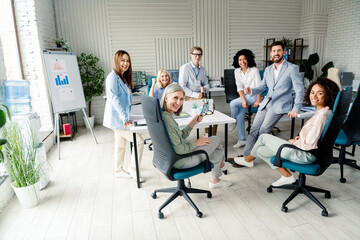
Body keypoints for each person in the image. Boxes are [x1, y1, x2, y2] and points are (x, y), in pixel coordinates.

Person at [248, 78, 340, 186]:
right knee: (261, 151)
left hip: (305, 154)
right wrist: (300, 138)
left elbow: (310, 143)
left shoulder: (322, 116)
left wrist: (294, 142)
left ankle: (247, 159)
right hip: (314, 153)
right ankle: (286, 176)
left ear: (329, 95)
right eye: (312, 92)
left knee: (263, 137)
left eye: (319, 93)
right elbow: (316, 136)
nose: (314, 96)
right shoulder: (327, 111)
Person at [233, 41, 304, 167]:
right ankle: (245, 155)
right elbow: (263, 86)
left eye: (278, 51)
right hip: (266, 102)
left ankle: (250, 159)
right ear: (271, 54)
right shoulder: (268, 69)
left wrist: (296, 108)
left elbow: (299, 89)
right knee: (254, 129)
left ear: (283, 52)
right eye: (274, 51)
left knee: (263, 131)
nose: (276, 53)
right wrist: (252, 91)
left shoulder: (292, 68)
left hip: (280, 104)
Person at [160, 83, 232, 189]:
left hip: (171, 158)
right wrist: (195, 143)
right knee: (215, 140)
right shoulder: (167, 120)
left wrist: (192, 123)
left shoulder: (165, 115)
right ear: (166, 98)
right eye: (175, 98)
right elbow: (180, 149)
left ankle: (216, 179)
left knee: (215, 153)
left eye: (181, 99)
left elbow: (180, 137)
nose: (179, 102)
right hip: (181, 160)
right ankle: (221, 165)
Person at [103, 50, 144, 182]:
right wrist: (125, 118)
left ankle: (118, 170)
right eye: (123, 60)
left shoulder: (122, 77)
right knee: (139, 141)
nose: (126, 63)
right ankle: (134, 169)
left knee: (120, 145)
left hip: (121, 118)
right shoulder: (113, 77)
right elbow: (115, 100)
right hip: (118, 119)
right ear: (117, 61)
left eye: (128, 61)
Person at [179, 46, 217, 135]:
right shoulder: (185, 68)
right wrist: (195, 95)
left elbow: (207, 84)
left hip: (200, 96)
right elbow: (182, 86)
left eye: (199, 55)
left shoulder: (202, 70)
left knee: (212, 105)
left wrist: (205, 88)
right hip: (188, 97)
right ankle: (208, 134)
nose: (197, 57)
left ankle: (210, 135)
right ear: (191, 55)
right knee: (207, 107)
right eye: (195, 54)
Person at [229, 49, 262, 148]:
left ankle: (232, 120)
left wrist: (258, 100)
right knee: (240, 116)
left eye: (244, 59)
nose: (242, 62)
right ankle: (242, 139)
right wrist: (243, 100)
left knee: (233, 103)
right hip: (244, 95)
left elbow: (259, 87)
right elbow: (239, 87)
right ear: (237, 61)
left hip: (253, 95)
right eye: (240, 60)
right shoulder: (237, 71)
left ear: (248, 60)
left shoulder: (254, 70)